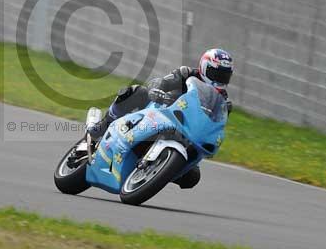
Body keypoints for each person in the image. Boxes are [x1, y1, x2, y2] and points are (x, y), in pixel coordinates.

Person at [86, 48, 234, 189]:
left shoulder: (223, 102)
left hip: (186, 131)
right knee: (136, 92)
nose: (218, 79)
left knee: (193, 177)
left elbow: (214, 124)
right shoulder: (186, 73)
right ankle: (101, 127)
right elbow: (161, 82)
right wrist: (157, 89)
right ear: (204, 67)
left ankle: (159, 169)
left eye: (224, 76)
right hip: (160, 111)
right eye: (215, 73)